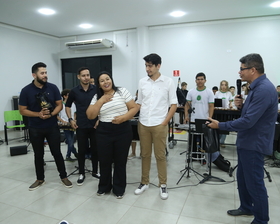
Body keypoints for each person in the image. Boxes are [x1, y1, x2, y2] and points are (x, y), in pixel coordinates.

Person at [207, 53, 278, 224]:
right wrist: (242, 106)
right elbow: (251, 114)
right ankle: (247, 206)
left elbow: (248, 121)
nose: (239, 73)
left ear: (253, 70)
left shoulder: (264, 89)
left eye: (242, 69)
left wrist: (220, 126)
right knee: (243, 178)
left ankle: (261, 219)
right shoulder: (256, 87)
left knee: (255, 183)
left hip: (254, 143)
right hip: (247, 141)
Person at [19, 62, 72, 190]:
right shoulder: (26, 91)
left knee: (57, 153)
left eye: (46, 73)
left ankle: (63, 177)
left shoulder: (52, 88)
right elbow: (22, 110)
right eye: (42, 73)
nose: (45, 75)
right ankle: (40, 179)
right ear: (34, 75)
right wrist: (38, 114)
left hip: (51, 126)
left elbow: (59, 104)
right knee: (38, 154)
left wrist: (51, 114)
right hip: (35, 127)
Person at [86, 71, 139, 198]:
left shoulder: (122, 91)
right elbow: (90, 115)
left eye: (107, 79)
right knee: (104, 161)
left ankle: (119, 188)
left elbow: (134, 108)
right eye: (102, 81)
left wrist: (123, 118)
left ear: (111, 80)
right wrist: (101, 100)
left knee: (120, 161)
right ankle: (104, 186)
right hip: (104, 131)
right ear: (99, 84)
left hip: (122, 130)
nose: (106, 82)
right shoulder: (97, 96)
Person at [134, 53, 177, 200]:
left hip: (159, 124)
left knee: (160, 155)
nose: (147, 68)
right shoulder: (142, 82)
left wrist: (164, 122)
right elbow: (139, 103)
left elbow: (173, 104)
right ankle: (144, 182)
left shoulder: (168, 82)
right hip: (144, 123)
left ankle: (162, 184)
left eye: (150, 66)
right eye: (146, 65)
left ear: (158, 66)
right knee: (144, 154)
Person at [184, 73, 230, 172]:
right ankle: (194, 156)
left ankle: (204, 158)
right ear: (195, 80)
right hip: (193, 120)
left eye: (201, 79)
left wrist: (209, 118)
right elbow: (187, 105)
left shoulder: (209, 92)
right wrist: (186, 116)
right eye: (198, 79)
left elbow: (211, 106)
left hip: (204, 120)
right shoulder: (191, 91)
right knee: (193, 139)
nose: (200, 81)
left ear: (205, 80)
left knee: (204, 140)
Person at [65, 67, 99, 186]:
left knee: (95, 149)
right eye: (83, 75)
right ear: (78, 77)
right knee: (82, 149)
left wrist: (99, 119)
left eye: (88, 75)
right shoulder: (74, 91)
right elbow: (67, 106)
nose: (86, 77)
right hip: (81, 124)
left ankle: (95, 171)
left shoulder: (96, 89)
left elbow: (102, 104)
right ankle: (81, 173)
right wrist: (70, 119)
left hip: (94, 124)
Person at [57, 89, 78, 161]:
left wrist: (74, 120)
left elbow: (75, 113)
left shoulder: (73, 104)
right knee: (70, 141)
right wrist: (62, 121)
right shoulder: (61, 105)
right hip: (65, 124)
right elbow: (57, 115)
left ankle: (70, 154)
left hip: (71, 123)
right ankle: (73, 153)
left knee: (71, 140)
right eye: (68, 95)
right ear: (64, 96)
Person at [214, 80, 234, 147]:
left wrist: (231, 106)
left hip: (226, 112)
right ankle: (217, 141)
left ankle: (222, 142)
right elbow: (215, 102)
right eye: (222, 85)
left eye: (225, 85)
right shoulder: (217, 93)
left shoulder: (229, 93)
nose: (224, 86)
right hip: (218, 112)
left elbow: (230, 102)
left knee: (225, 127)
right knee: (218, 126)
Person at [128, 90, 140, 159]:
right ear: (136, 93)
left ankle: (142, 153)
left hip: (141, 121)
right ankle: (133, 153)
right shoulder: (132, 99)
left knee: (142, 139)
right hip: (133, 121)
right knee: (133, 138)